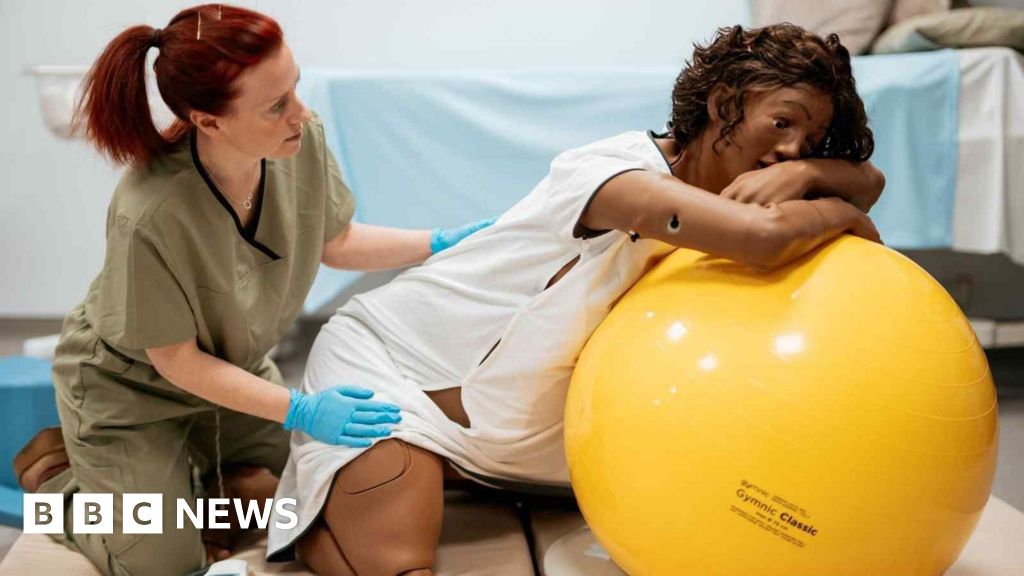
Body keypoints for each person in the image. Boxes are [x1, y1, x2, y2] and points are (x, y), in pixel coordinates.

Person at [266, 23, 886, 576]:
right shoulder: (614, 177)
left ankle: (379, 485)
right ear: (724, 104)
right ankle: (301, 523)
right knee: (401, 563)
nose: (792, 151)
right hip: (394, 370)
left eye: (812, 139)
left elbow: (868, 184)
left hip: (524, 438)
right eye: (783, 123)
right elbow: (763, 240)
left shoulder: (759, 189)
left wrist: (811, 176)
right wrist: (839, 206)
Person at [11, 5, 491, 576]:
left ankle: (201, 478)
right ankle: (62, 483)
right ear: (208, 121)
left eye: (294, 89)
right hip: (130, 390)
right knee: (159, 560)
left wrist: (439, 242)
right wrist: (302, 408)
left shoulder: (297, 141)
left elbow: (334, 240)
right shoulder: (151, 212)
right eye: (277, 105)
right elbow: (175, 361)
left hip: (229, 369)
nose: (302, 114)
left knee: (323, 478)